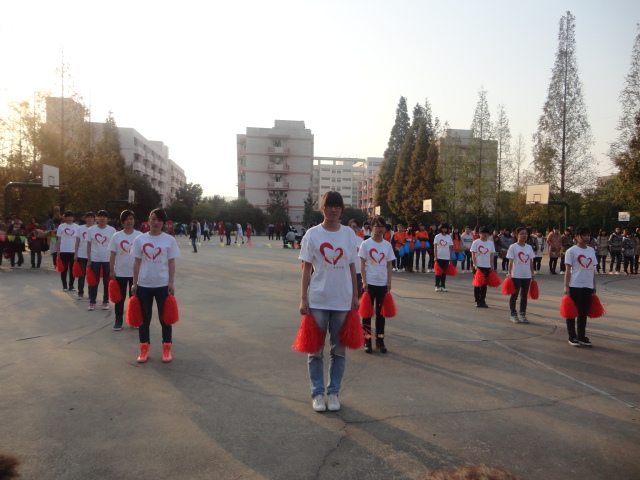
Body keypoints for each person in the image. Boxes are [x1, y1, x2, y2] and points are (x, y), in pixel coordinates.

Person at [299, 191, 359, 413]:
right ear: (322, 208)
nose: (333, 210)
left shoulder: (349, 234)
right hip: (318, 300)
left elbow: (352, 266)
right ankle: (317, 394)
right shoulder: (312, 234)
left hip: (342, 300)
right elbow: (306, 268)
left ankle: (333, 393)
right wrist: (303, 298)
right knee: (315, 351)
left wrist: (355, 295)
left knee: (339, 351)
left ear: (341, 209)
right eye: (329, 205)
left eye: (337, 206)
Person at [132, 208, 181, 363]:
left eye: (159, 220)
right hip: (144, 285)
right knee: (144, 319)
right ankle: (144, 350)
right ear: (148, 220)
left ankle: (166, 349)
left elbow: (171, 262)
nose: (156, 222)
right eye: (153, 219)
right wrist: (134, 283)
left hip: (162, 285)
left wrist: (171, 282)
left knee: (165, 319)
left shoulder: (169, 240)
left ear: (163, 223)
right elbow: (137, 262)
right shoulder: (140, 239)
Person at [359, 216, 394, 354]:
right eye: (377, 226)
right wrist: (364, 281)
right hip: (369, 284)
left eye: (382, 226)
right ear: (371, 227)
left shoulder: (387, 245)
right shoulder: (365, 244)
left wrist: (389, 281)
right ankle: (367, 341)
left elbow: (389, 265)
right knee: (367, 315)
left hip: (382, 284)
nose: (380, 229)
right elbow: (362, 265)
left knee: (381, 314)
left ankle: (380, 341)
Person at [563, 227, 597, 347]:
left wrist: (594, 284)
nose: (587, 237)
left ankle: (581, 336)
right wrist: (566, 286)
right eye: (584, 235)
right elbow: (568, 270)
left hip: (587, 285)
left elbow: (593, 269)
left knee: (583, 312)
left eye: (588, 235)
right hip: (575, 285)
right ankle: (572, 336)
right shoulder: (571, 251)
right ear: (577, 237)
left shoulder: (591, 250)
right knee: (572, 312)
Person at [109, 210, 142, 331]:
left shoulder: (140, 236)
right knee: (120, 298)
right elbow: (112, 255)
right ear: (122, 222)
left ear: (134, 221)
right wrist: (111, 270)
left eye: (131, 219)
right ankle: (118, 320)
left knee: (134, 298)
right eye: (126, 219)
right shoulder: (116, 236)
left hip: (136, 273)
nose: (129, 221)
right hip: (120, 272)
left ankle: (134, 320)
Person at [87, 210, 116, 311]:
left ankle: (105, 301)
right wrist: (89, 260)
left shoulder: (112, 230)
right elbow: (88, 246)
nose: (102, 218)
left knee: (106, 282)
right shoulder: (91, 230)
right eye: (100, 216)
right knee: (94, 282)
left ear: (108, 219)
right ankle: (92, 301)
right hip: (95, 259)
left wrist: (114, 262)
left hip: (107, 259)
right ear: (97, 218)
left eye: (104, 217)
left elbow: (114, 247)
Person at [506, 227, 535, 323]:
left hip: (526, 275)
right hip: (516, 274)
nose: (524, 235)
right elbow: (510, 261)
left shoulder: (529, 247)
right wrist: (509, 272)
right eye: (522, 233)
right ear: (517, 235)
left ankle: (522, 314)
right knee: (514, 295)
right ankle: (513, 314)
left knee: (524, 295)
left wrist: (532, 272)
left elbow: (530, 261)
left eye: (525, 234)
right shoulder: (513, 247)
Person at [470, 226, 495, 308]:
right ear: (479, 234)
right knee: (477, 284)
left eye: (486, 233)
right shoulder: (476, 242)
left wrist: (492, 266)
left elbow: (491, 255)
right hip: (478, 266)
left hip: (487, 266)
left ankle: (482, 300)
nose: (485, 235)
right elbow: (473, 255)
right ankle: (477, 300)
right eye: (483, 233)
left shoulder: (490, 243)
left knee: (484, 285)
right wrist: (475, 265)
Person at [74, 212, 95, 300]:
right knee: (82, 275)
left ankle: (91, 293)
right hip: (82, 255)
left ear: (94, 219)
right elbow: (77, 242)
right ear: (85, 219)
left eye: (91, 217)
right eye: (88, 217)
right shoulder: (80, 228)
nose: (89, 219)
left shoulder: (96, 229)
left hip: (93, 256)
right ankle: (80, 292)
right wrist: (76, 253)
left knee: (91, 275)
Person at [56, 211, 79, 291]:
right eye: (68, 216)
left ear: (73, 218)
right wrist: (58, 250)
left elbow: (78, 240)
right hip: (64, 250)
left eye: (71, 216)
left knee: (72, 269)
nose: (69, 218)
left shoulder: (77, 227)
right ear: (65, 218)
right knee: (64, 269)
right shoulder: (61, 226)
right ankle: (64, 286)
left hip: (73, 251)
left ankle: (71, 285)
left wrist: (77, 251)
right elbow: (59, 239)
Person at [434, 223, 453, 292]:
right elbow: (435, 247)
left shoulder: (449, 237)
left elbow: (450, 247)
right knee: (438, 272)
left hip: (446, 257)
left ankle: (443, 285)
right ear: (440, 229)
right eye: (443, 228)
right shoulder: (437, 236)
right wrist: (435, 256)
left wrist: (450, 257)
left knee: (444, 272)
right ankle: (437, 285)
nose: (444, 229)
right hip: (439, 256)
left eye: (445, 228)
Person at [348, 219, 365, 296]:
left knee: (355, 294)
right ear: (348, 227)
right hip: (346, 271)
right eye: (352, 226)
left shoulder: (361, 241)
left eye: (356, 227)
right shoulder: (343, 240)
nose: (354, 229)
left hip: (357, 271)